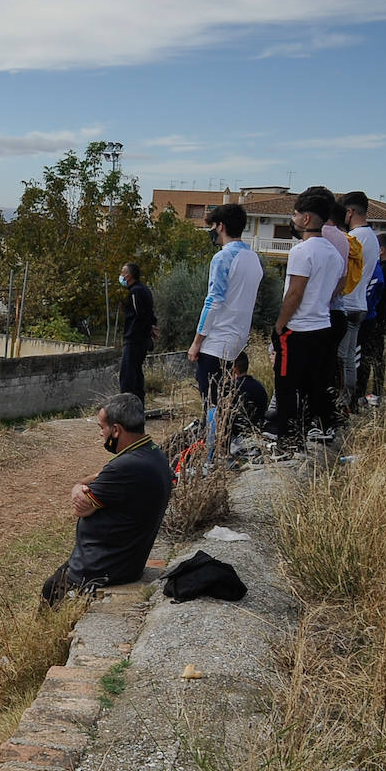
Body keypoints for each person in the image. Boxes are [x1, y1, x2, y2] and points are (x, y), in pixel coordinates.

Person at [41, 393, 173, 605]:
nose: (101, 434)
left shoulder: (125, 467)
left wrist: (77, 487)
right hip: (124, 559)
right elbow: (101, 477)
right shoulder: (151, 453)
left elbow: (80, 509)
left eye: (102, 427)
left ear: (116, 430)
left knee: (52, 591)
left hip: (102, 567)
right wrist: (95, 479)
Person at [267, 186, 343, 446]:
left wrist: (279, 325)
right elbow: (337, 288)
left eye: (296, 213)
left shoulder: (302, 251)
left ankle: (287, 440)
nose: (294, 218)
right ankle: (316, 429)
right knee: (314, 385)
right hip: (323, 326)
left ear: (306, 218)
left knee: (286, 386)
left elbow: (294, 293)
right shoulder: (334, 253)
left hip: (297, 329)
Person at [188, 204, 263, 404]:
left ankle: (211, 435)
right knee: (224, 398)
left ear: (220, 226)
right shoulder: (253, 258)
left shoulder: (222, 258)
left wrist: (197, 341)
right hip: (237, 340)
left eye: (212, 225)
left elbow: (213, 301)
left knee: (210, 401)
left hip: (216, 341)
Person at [342, 192, 382, 411]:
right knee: (350, 359)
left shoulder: (353, 238)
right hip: (361, 305)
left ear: (350, 212)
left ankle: (343, 402)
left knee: (342, 358)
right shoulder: (373, 238)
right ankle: (350, 402)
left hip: (347, 303)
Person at [358, 232, 386, 407]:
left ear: (381, 249)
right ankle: (376, 391)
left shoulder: (382, 269)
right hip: (383, 317)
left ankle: (364, 392)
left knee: (367, 356)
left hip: (375, 317)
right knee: (377, 357)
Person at [118, 263, 156, 405]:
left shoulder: (136, 292)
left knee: (127, 376)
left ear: (129, 275)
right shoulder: (143, 289)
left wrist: (149, 329)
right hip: (140, 338)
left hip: (135, 339)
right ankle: (138, 406)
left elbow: (142, 315)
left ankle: (126, 408)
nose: (121, 275)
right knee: (136, 374)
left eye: (123, 272)